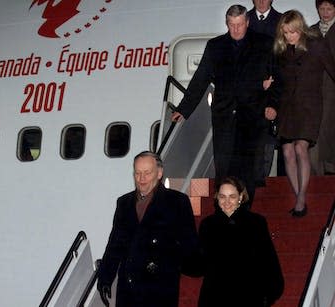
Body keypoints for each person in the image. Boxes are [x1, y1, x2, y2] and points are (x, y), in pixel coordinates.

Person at [172, 4, 281, 207]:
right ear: (227, 23)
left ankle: (245, 212)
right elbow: (200, 79)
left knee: (247, 169)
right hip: (224, 117)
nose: (236, 29)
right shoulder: (215, 46)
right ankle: (223, 213)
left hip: (252, 116)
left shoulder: (264, 43)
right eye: (232, 25)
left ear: (247, 22)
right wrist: (183, 109)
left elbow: (276, 78)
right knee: (223, 169)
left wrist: (273, 104)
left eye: (240, 24)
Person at [97, 151, 198, 307]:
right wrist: (105, 278)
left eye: (147, 173)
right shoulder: (124, 202)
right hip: (128, 288)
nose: (141, 179)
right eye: (137, 173)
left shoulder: (177, 201)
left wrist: (177, 266)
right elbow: (115, 245)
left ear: (159, 173)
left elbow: (189, 243)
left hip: (160, 288)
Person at [274, 10, 335, 217]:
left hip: (309, 107)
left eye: (292, 32)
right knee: (287, 152)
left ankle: (301, 198)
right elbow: (278, 81)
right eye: (285, 33)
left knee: (301, 148)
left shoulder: (316, 45)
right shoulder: (281, 51)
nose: (289, 36)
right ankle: (297, 192)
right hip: (287, 108)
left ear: (300, 28)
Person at [193, 176, 284, 306]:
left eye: (232, 196)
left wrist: (267, 296)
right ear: (217, 197)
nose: (227, 201)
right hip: (215, 297)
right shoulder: (208, 225)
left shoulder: (256, 222)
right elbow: (200, 264)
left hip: (249, 296)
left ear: (241, 197)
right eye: (222, 196)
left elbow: (268, 259)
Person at [248, 0, 285, 183]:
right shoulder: (243, 21)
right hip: (249, 99)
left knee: (269, 149)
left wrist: (273, 102)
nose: (262, 1)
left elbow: (283, 67)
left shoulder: (282, 21)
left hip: (274, 97)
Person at [310, 0, 335, 175]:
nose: (325, 12)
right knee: (316, 131)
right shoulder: (310, 31)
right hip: (314, 91)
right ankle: (316, 174)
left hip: (333, 91)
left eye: (329, 8)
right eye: (322, 8)